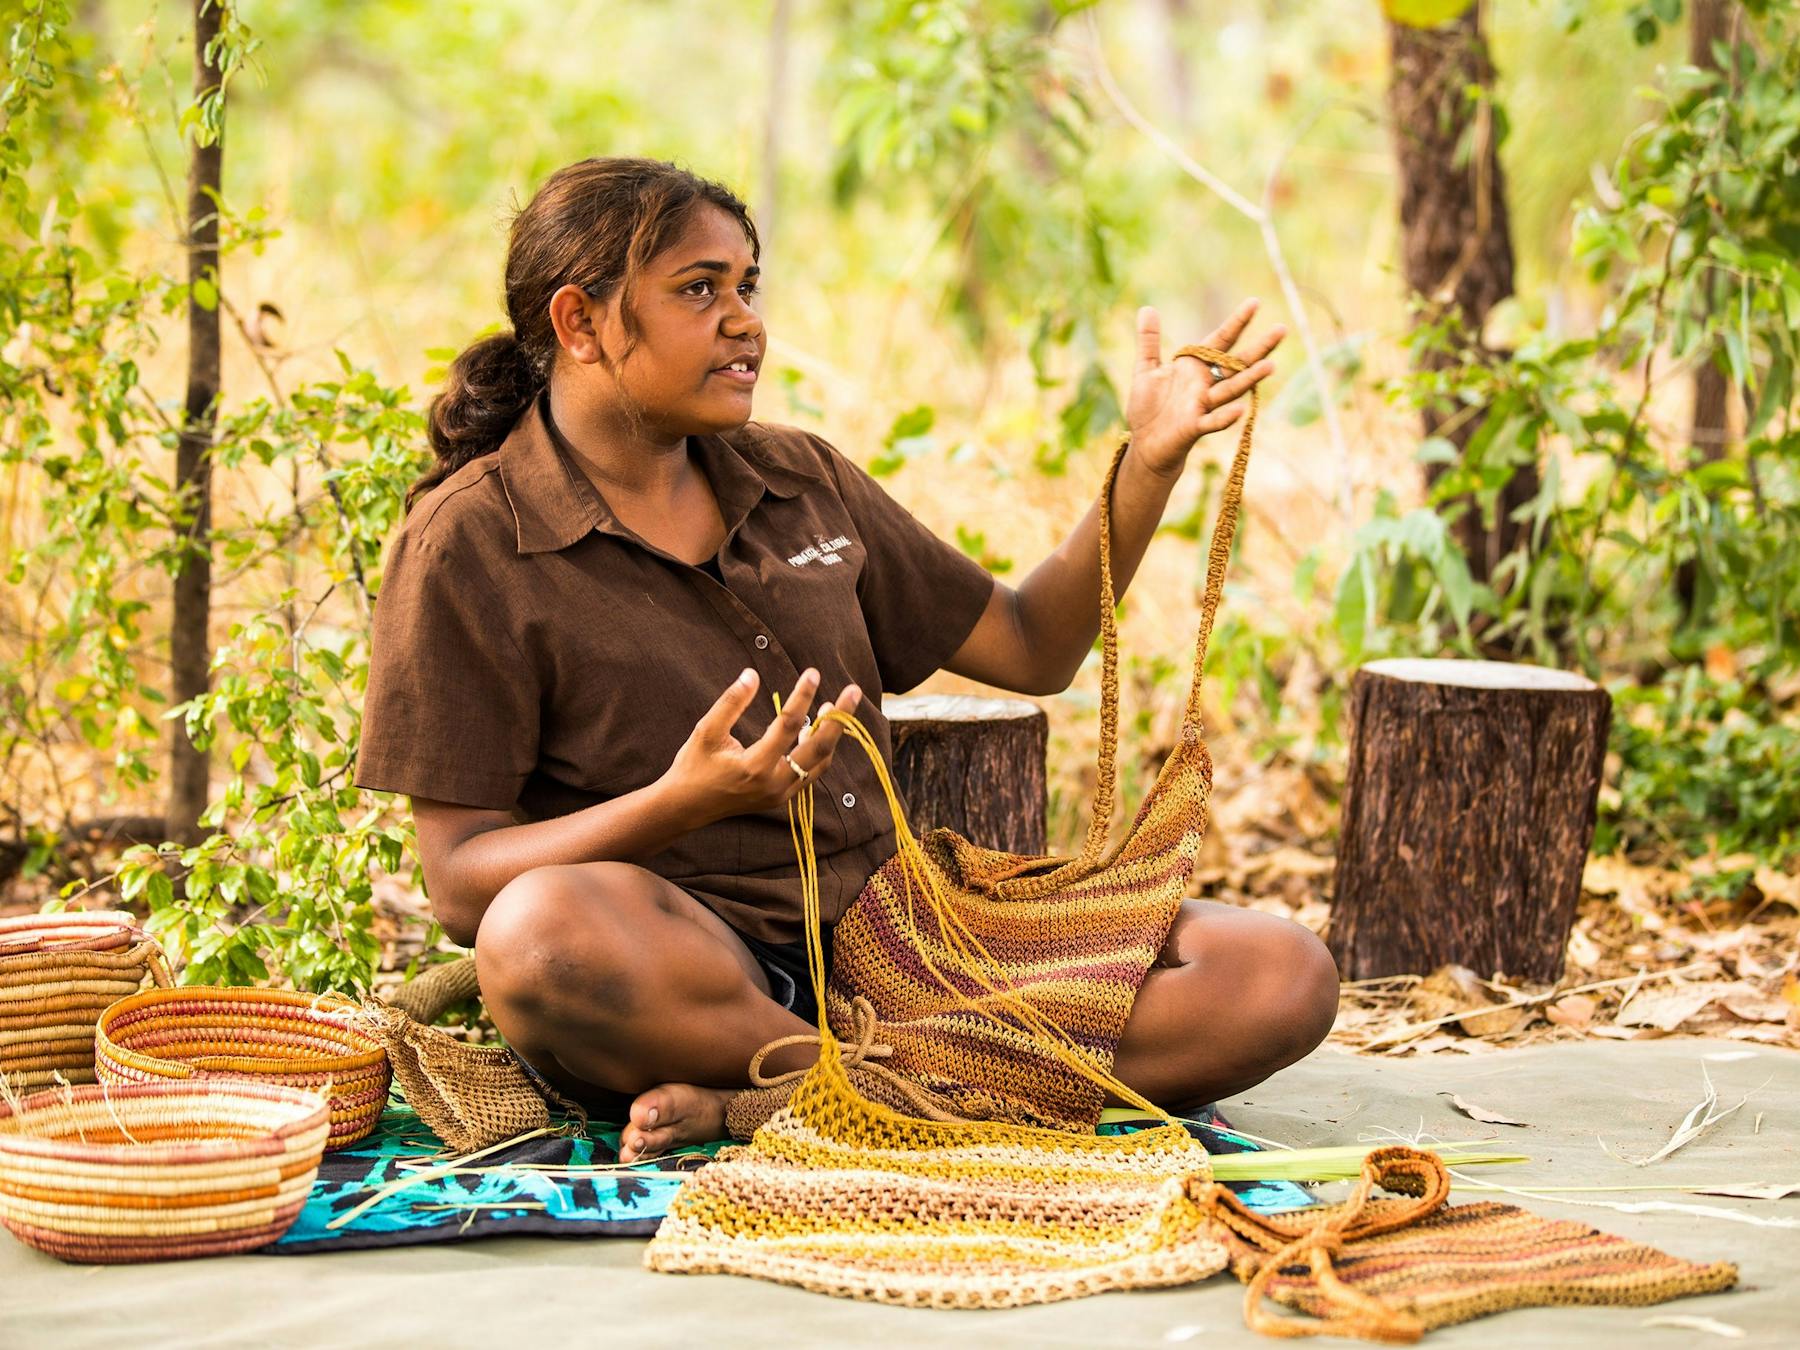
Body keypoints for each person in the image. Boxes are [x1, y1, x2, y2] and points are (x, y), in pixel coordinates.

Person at [355, 156, 1337, 1164]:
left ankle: (785, 1098)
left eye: (748, 286)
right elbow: (464, 884)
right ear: (581, 324)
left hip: (905, 944)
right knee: (539, 939)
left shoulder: (798, 477)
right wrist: (680, 802)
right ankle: (910, 1085)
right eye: (699, 290)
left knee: (1276, 975)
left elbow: (1034, 644)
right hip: (688, 975)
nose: (745, 321)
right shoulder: (470, 544)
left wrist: (1149, 459)